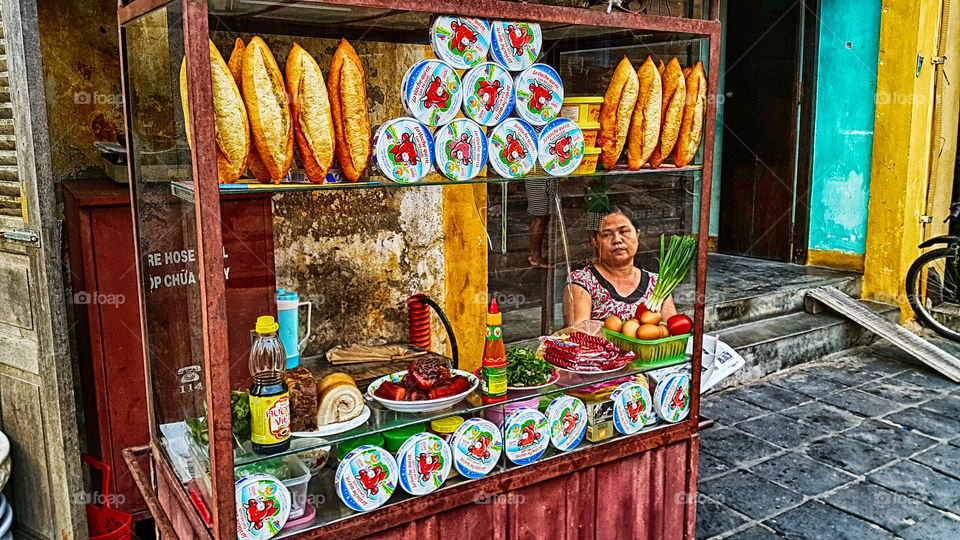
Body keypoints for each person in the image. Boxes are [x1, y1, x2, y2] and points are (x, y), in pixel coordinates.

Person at [563, 209, 678, 325]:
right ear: (595, 242)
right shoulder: (582, 282)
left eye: (623, 232)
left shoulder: (658, 284)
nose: (617, 240)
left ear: (637, 235)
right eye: (607, 234)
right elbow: (577, 333)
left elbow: (673, 332)